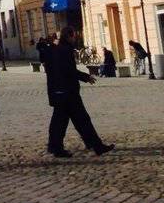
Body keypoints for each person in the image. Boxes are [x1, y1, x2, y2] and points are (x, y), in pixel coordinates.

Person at [47, 26, 114, 158]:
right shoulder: (65, 50)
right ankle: (95, 146)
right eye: (73, 36)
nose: (75, 38)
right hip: (68, 92)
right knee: (81, 120)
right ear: (69, 36)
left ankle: (56, 146)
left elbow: (51, 71)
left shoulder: (54, 50)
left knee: (63, 122)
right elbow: (69, 71)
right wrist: (86, 77)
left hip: (59, 91)